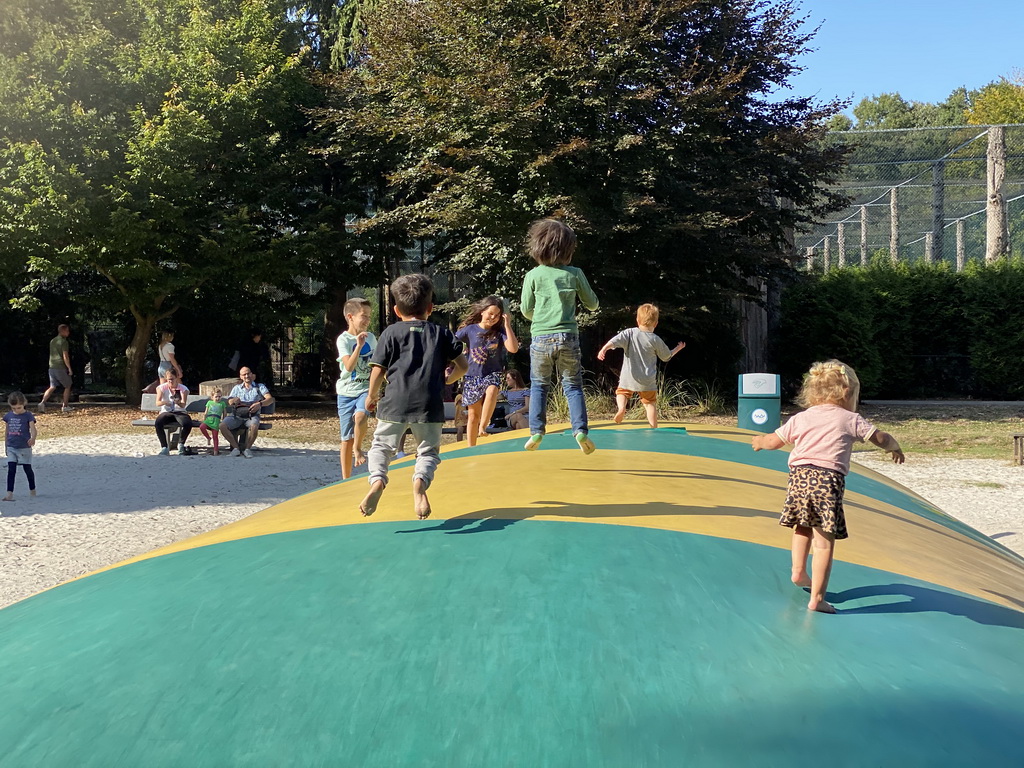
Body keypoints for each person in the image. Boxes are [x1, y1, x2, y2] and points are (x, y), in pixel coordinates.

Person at [751, 360, 905, 614]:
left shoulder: (802, 417)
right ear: (847, 393)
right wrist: (894, 446)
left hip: (799, 479)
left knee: (802, 526)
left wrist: (759, 441)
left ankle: (798, 572)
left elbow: (773, 441)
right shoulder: (850, 419)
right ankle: (817, 599)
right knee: (823, 544)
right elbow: (880, 438)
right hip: (827, 482)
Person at [359, 273, 468, 519]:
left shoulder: (390, 333)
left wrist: (371, 396)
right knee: (428, 452)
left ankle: (377, 480)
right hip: (429, 404)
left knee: (381, 447)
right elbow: (463, 366)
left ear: (397, 310)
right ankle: (420, 483)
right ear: (430, 308)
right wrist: (448, 379)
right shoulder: (441, 333)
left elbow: (378, 370)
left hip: (394, 402)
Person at [519, 218, 599, 454]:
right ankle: (580, 430)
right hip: (568, 337)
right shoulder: (575, 274)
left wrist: (541, 319)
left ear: (537, 247)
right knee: (573, 386)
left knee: (539, 386)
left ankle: (536, 431)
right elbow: (592, 304)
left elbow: (525, 309)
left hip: (541, 338)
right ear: (568, 250)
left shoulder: (533, 275)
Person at [596, 303, 685, 428]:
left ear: (637, 320)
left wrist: (604, 349)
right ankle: (653, 427)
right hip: (647, 380)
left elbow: (614, 341)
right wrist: (677, 348)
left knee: (621, 393)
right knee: (650, 404)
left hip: (629, 377)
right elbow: (666, 357)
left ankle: (621, 408)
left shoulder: (630, 333)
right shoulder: (655, 339)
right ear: (656, 323)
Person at [455, 296, 520, 446]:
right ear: (482, 311)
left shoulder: (500, 331)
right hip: (472, 376)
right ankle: (471, 447)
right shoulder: (469, 330)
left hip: (492, 373)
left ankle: (483, 427)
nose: (493, 318)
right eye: (491, 313)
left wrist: (507, 325)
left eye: (497, 315)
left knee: (492, 391)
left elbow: (513, 348)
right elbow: (452, 342)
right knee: (473, 415)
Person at [336, 297, 377, 478]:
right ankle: (346, 478)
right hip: (345, 392)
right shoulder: (343, 340)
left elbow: (377, 365)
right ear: (351, 317)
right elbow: (349, 367)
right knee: (346, 438)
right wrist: (358, 346)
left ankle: (358, 449)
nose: (368, 320)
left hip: (364, 390)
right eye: (364, 316)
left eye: (369, 316)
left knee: (360, 416)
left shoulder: (372, 338)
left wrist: (376, 391)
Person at [220, 366, 274, 458]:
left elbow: (270, 399)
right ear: (241, 377)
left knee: (254, 425)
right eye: (244, 374)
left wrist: (260, 404)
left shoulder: (259, 387)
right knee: (222, 425)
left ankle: (247, 449)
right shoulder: (237, 388)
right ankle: (236, 449)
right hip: (237, 415)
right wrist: (233, 400)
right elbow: (229, 401)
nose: (246, 376)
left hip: (252, 415)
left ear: (252, 375)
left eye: (248, 373)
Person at [3, 392, 37, 502]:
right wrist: (6, 445)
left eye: (19, 407)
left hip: (24, 447)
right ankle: (9, 493)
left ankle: (32, 488)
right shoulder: (8, 416)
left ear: (24, 404)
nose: (17, 410)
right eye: (14, 408)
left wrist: (33, 438)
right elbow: (7, 431)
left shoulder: (28, 415)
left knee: (27, 469)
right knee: (11, 470)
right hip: (12, 446)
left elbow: (33, 429)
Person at [154, 370, 193, 457]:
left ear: (176, 378)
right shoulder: (162, 388)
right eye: (168, 380)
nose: (170, 381)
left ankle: (181, 444)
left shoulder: (183, 389)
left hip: (179, 411)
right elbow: (157, 402)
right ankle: (164, 447)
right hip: (167, 411)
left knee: (187, 423)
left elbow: (183, 405)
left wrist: (178, 402)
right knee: (158, 423)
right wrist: (165, 402)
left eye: (172, 379)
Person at [39, 323, 73, 413]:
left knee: (52, 386)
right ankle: (65, 406)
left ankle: (42, 403)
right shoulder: (63, 342)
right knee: (68, 385)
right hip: (60, 366)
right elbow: (65, 356)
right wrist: (69, 368)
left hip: (52, 367)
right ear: (63, 331)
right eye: (67, 331)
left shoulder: (53, 341)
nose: (68, 332)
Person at [199, 388, 228, 456]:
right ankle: (208, 438)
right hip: (209, 419)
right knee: (202, 427)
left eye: (219, 396)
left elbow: (225, 413)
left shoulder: (222, 403)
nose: (218, 398)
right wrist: (204, 419)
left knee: (215, 436)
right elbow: (206, 412)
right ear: (212, 397)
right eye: (216, 396)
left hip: (216, 420)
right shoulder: (209, 402)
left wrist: (224, 420)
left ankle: (216, 451)